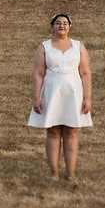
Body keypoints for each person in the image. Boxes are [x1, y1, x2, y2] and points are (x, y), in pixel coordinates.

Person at [28, 12, 93, 181]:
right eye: (58, 23)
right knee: (54, 131)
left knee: (71, 131)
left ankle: (70, 173)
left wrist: (87, 97)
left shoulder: (78, 46)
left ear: (69, 26)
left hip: (73, 93)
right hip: (52, 91)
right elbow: (38, 73)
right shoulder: (44, 47)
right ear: (52, 26)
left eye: (65, 23)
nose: (61, 26)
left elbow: (85, 73)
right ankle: (54, 172)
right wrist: (36, 97)